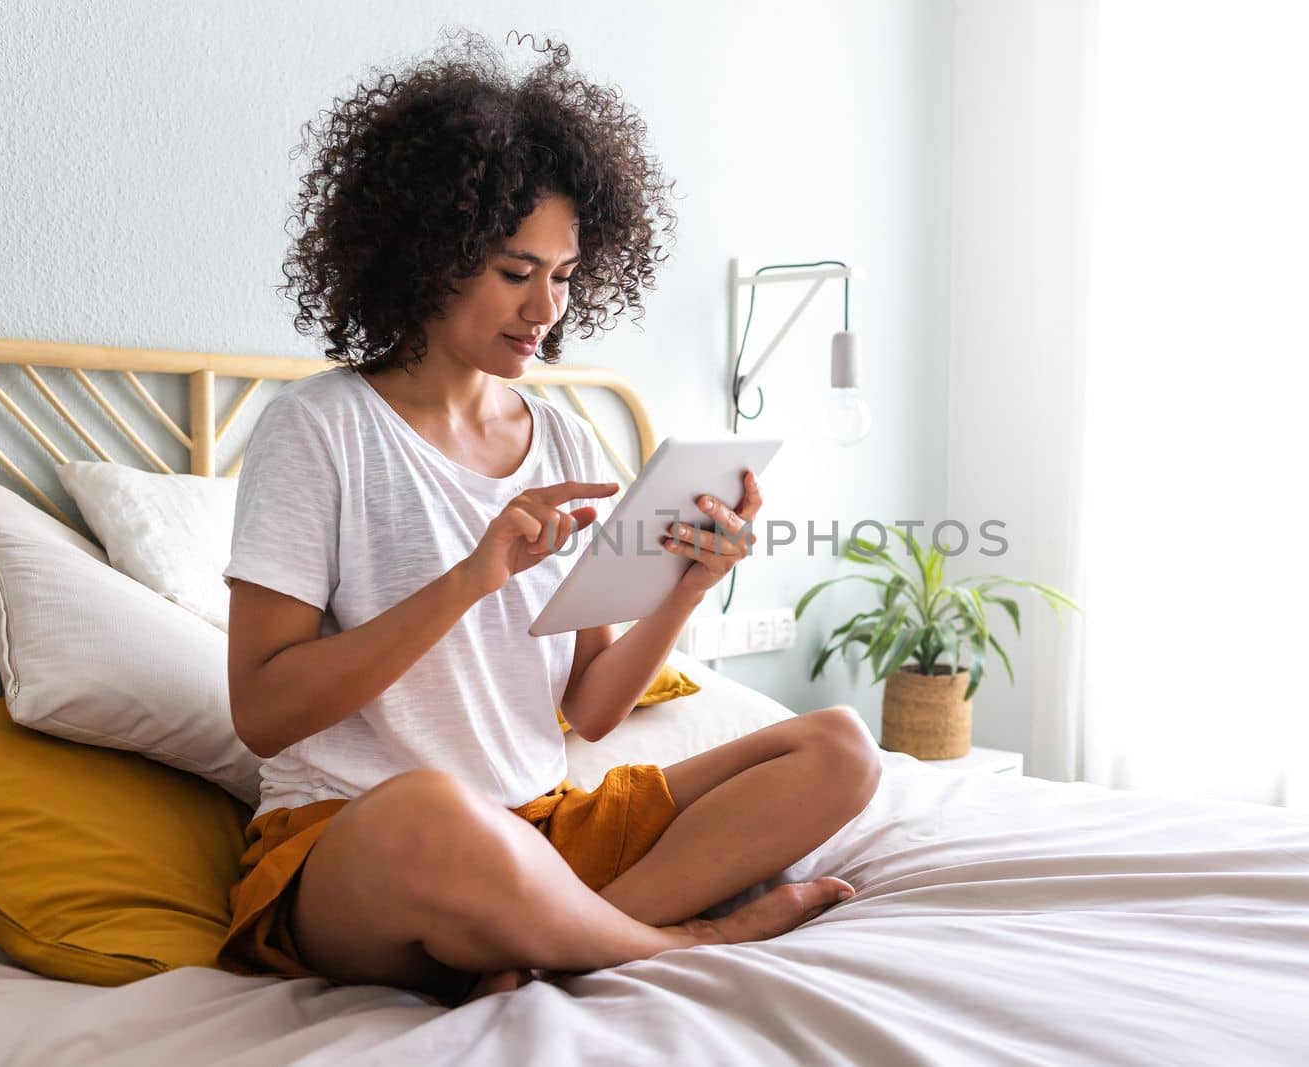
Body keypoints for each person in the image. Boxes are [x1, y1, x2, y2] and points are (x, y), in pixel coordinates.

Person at [217, 31, 881, 1008]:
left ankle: (561, 932)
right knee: (435, 813)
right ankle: (675, 940)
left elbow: (590, 709)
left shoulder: (566, 439)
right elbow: (263, 711)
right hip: (358, 839)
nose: (546, 308)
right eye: (514, 269)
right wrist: (471, 576)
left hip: (542, 821)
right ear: (425, 255)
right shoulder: (317, 431)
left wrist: (683, 587)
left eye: (564, 274)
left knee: (837, 748)